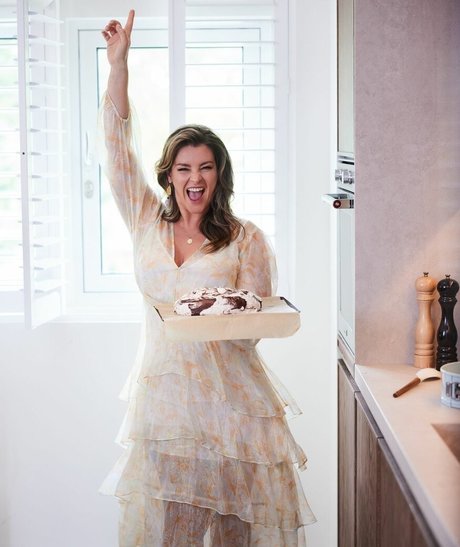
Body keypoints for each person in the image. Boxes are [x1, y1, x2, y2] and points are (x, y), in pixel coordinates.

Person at [100, 9, 315, 547]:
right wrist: (119, 65)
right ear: (168, 176)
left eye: (206, 167)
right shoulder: (146, 222)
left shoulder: (246, 238)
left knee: (234, 535)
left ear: (220, 175)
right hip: (166, 408)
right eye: (183, 168)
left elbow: (255, 324)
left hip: (233, 406)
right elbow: (116, 150)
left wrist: (218, 310)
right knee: (174, 533)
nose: (194, 178)